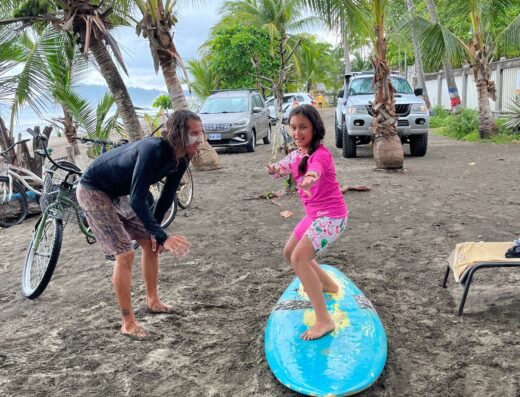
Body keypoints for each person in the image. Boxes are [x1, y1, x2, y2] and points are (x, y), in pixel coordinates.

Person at [76, 110, 203, 340]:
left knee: (151, 243)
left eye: (200, 132)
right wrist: (161, 234)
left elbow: (168, 194)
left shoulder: (184, 156)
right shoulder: (153, 150)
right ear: (178, 134)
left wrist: (157, 231)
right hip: (93, 190)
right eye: (194, 133)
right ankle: (128, 323)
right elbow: (137, 197)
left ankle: (153, 301)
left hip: (118, 192)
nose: (199, 139)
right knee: (125, 254)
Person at [266, 104, 348, 340]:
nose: (297, 132)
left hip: (332, 217)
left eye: (303, 127)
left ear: (315, 128)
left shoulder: (321, 155)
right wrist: (272, 169)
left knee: (299, 258)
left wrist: (310, 178)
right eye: (293, 127)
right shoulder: (295, 154)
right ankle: (328, 285)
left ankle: (324, 320)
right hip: (315, 216)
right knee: (289, 251)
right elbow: (279, 170)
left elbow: (316, 170)